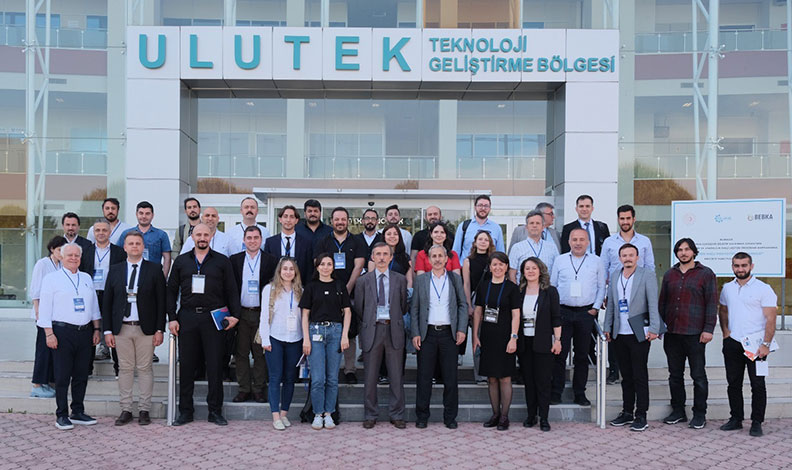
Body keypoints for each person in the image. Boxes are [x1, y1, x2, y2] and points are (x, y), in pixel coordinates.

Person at [167, 224, 241, 426]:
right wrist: (172, 317)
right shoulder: (181, 261)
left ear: (211, 236)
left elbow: (232, 290)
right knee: (187, 366)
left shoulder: (222, 261)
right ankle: (185, 412)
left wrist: (235, 316)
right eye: (198, 234)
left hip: (213, 318)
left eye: (205, 234)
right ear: (192, 236)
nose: (202, 238)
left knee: (215, 366)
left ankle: (215, 411)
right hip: (187, 318)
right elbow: (171, 291)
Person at [102, 231, 166, 426]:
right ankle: (126, 409)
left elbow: (161, 301)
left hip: (145, 328)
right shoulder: (115, 269)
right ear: (125, 247)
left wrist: (160, 329)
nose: (134, 246)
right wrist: (107, 330)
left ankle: (144, 409)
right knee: (125, 369)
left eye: (138, 243)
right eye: (131, 243)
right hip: (121, 328)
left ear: (143, 246)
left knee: (145, 368)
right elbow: (107, 302)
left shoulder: (154, 269)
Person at [37, 243, 101, 430]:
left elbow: (94, 306)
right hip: (62, 332)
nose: (73, 258)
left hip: (85, 332)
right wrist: (49, 334)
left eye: (77, 255)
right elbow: (45, 309)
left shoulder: (86, 278)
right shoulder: (51, 279)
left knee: (81, 374)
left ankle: (78, 411)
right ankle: (62, 414)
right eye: (70, 255)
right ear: (62, 257)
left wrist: (97, 329)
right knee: (62, 375)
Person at [658, 238, 717, 429]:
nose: (683, 253)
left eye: (687, 249)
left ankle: (699, 414)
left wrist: (708, 329)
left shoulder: (706, 274)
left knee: (698, 376)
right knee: (675, 375)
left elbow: (711, 303)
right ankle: (678, 411)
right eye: (680, 250)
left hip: (695, 333)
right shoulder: (670, 274)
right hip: (673, 333)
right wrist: (659, 327)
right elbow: (662, 302)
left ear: (694, 252)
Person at [718, 252, 777, 438]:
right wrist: (725, 333)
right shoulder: (727, 288)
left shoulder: (764, 289)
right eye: (737, 265)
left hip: (757, 346)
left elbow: (771, 318)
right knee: (733, 383)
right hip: (733, 343)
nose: (740, 269)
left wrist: (766, 344)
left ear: (751, 266)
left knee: (757, 385)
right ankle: (736, 419)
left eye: (744, 265)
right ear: (732, 267)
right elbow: (723, 310)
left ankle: (757, 422)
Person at [604, 244, 662, 432]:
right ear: (620, 258)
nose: (627, 258)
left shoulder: (647, 275)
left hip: (639, 333)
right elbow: (611, 305)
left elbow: (653, 303)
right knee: (626, 376)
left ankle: (641, 415)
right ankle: (627, 412)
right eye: (624, 255)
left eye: (631, 255)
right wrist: (607, 327)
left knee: (639, 375)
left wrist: (654, 328)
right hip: (619, 333)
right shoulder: (615, 275)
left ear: (637, 257)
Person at [411, 244, 468, 429]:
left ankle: (450, 417)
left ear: (446, 259)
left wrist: (462, 329)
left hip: (448, 334)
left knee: (450, 378)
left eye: (440, 256)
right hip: (427, 334)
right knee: (424, 377)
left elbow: (462, 304)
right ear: (428, 259)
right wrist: (415, 332)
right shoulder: (421, 280)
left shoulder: (455, 279)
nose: (437, 259)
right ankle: (422, 416)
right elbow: (414, 308)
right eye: (433, 256)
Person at [600, 204, 655, 385]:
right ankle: (614, 370)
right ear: (618, 220)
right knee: (616, 332)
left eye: (628, 218)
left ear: (633, 219)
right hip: (616, 293)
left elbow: (650, 268)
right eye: (622, 218)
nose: (625, 221)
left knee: (636, 340)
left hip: (638, 295)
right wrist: (604, 294)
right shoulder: (609, 242)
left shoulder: (644, 241)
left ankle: (638, 375)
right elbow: (603, 269)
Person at [550, 227, 606, 406]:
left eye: (582, 239)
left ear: (588, 242)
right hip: (563, 313)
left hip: (586, 313)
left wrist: (595, 308)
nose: (578, 243)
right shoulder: (560, 260)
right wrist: (555, 311)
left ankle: (579, 393)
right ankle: (556, 392)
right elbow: (553, 285)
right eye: (574, 239)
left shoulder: (597, 261)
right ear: (569, 242)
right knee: (559, 354)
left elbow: (601, 287)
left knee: (582, 355)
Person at [355, 242, 408, 429]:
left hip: (393, 329)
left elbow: (403, 306)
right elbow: (359, 308)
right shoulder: (363, 281)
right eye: (378, 254)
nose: (382, 258)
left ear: (391, 257)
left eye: (385, 254)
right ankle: (370, 414)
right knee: (370, 376)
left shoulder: (400, 279)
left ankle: (397, 414)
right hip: (373, 330)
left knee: (396, 375)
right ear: (372, 257)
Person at [299, 253, 352, 430]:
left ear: (333, 266)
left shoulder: (339, 285)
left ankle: (329, 413)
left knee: (332, 378)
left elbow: (347, 312)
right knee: (318, 378)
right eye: (322, 264)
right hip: (315, 332)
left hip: (335, 332)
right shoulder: (311, 287)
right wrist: (306, 339)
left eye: (329, 264)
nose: (326, 267)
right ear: (317, 267)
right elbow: (305, 314)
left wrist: (344, 335)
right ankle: (317, 413)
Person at [314, 207, 365, 384]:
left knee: (349, 331)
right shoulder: (323, 241)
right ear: (331, 221)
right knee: (329, 331)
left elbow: (359, 266)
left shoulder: (357, 241)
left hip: (350, 292)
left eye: (343, 219)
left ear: (348, 221)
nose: (340, 222)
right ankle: (329, 370)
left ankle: (350, 369)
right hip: (327, 292)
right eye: (337, 219)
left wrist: (346, 290)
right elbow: (318, 264)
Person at [472, 252, 520, 430]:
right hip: (488, 336)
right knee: (491, 378)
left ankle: (504, 416)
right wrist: (475, 335)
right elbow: (478, 311)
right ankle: (495, 414)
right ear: (490, 267)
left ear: (506, 267)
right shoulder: (484, 286)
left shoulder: (512, 288)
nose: (498, 268)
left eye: (501, 264)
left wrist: (513, 337)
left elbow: (516, 315)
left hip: (505, 337)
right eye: (494, 264)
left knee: (505, 378)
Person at [230, 226, 277, 403]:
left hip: (261, 314)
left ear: (261, 240)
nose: (252, 241)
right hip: (240, 313)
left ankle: (258, 389)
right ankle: (243, 389)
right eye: (249, 238)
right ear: (244, 240)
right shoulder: (234, 260)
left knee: (260, 353)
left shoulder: (271, 260)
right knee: (241, 353)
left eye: (256, 237)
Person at [516, 257, 561, 431]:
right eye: (527, 268)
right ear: (523, 272)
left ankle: (544, 417)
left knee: (543, 382)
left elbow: (556, 317)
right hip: (524, 343)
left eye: (534, 268)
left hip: (543, 342)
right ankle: (531, 415)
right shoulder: (519, 291)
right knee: (529, 381)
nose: (530, 271)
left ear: (540, 270)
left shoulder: (550, 292)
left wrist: (557, 340)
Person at [259, 257, 304, 430]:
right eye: (285, 268)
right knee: (275, 377)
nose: (288, 272)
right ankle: (275, 416)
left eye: (291, 269)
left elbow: (303, 317)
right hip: (275, 338)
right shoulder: (269, 289)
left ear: (295, 272)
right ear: (279, 271)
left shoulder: (300, 290)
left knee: (290, 378)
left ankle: (284, 413)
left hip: (295, 339)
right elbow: (264, 315)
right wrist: (265, 339)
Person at [80, 221, 127, 374]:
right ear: (93, 232)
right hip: (91, 295)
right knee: (90, 331)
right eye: (97, 230)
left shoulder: (119, 252)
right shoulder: (85, 251)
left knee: (114, 330)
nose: (101, 233)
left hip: (111, 295)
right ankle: (87, 368)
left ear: (109, 232)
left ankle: (119, 369)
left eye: (104, 230)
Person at [29, 235, 67, 398]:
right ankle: (37, 385)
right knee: (42, 350)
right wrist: (39, 313)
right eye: (59, 250)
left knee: (52, 350)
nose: (62, 253)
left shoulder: (61, 265)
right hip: (43, 315)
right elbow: (35, 290)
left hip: (56, 315)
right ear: (52, 249)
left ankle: (47, 382)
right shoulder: (42, 264)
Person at [462, 230, 496, 381]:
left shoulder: (494, 260)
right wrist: (469, 305)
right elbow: (466, 284)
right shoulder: (468, 261)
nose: (483, 242)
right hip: (476, 302)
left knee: (490, 339)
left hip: (492, 302)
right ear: (475, 243)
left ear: (490, 243)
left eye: (486, 240)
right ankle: (480, 375)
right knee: (477, 338)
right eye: (480, 239)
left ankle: (491, 372)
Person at [119, 201, 172, 279]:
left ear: (152, 215)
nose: (144, 216)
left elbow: (167, 258)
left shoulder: (161, 235)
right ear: (136, 214)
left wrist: (163, 278)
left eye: (147, 214)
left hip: (154, 276)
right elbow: (119, 255)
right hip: (130, 275)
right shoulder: (126, 234)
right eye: (141, 213)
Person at [264, 205, 313, 283]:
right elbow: (267, 268)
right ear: (280, 219)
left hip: (299, 285)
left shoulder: (306, 243)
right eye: (285, 216)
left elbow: (309, 269)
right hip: (276, 285)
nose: (288, 220)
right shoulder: (270, 242)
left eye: (292, 217)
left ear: (296, 220)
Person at [508, 210, 559, 283]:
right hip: (523, 288)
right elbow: (512, 273)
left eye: (538, 223)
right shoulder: (517, 248)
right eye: (531, 223)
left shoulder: (552, 247)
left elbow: (557, 270)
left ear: (543, 227)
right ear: (526, 227)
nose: (534, 226)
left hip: (546, 288)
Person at [453, 194, 505, 260]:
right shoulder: (464, 226)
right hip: (466, 265)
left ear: (490, 208)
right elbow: (456, 251)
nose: (483, 208)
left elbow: (500, 253)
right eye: (480, 205)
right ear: (475, 207)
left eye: (486, 206)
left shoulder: (496, 228)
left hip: (488, 265)